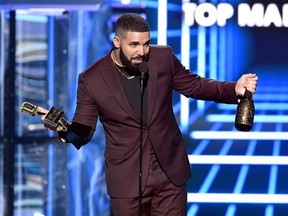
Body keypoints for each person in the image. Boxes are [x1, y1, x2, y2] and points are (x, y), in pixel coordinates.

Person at [37, 13, 258, 216]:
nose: (141, 51)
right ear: (117, 42)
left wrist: (233, 89)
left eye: (146, 44)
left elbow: (195, 86)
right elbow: (83, 130)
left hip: (169, 173)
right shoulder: (92, 79)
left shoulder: (162, 58)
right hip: (127, 179)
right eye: (133, 44)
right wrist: (64, 128)